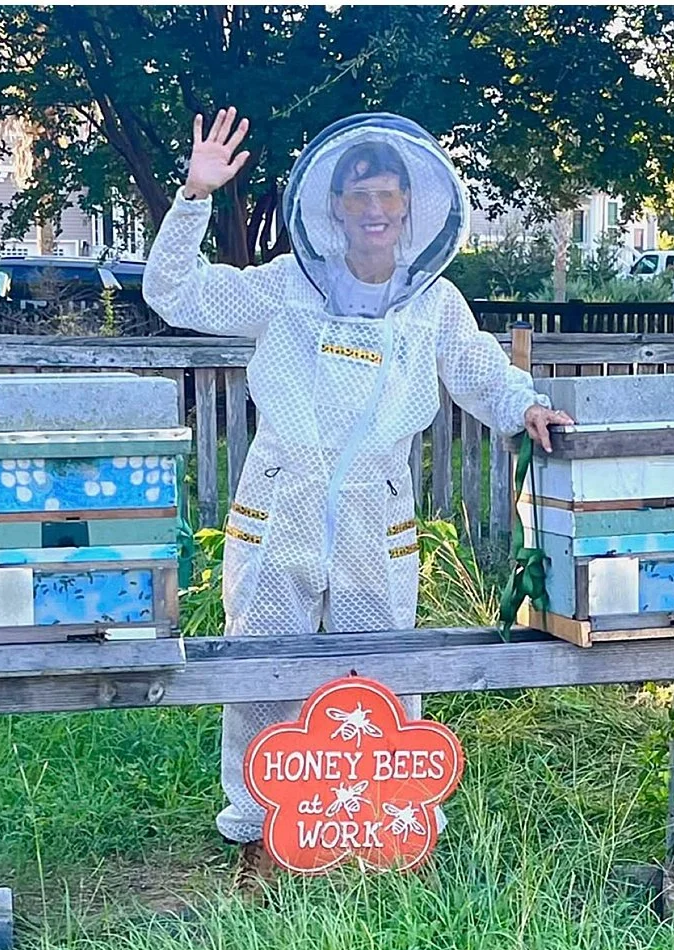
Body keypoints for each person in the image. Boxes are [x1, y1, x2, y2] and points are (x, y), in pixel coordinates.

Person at [142, 109, 572, 866]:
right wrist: (193, 195)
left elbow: (478, 369)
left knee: (382, 669)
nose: (374, 210)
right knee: (262, 669)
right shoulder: (286, 287)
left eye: (388, 196)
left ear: (414, 206)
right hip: (279, 510)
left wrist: (525, 405)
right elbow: (174, 294)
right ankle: (261, 831)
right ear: (331, 207)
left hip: (378, 517)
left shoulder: (432, 301)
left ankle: (384, 822)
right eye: (358, 195)